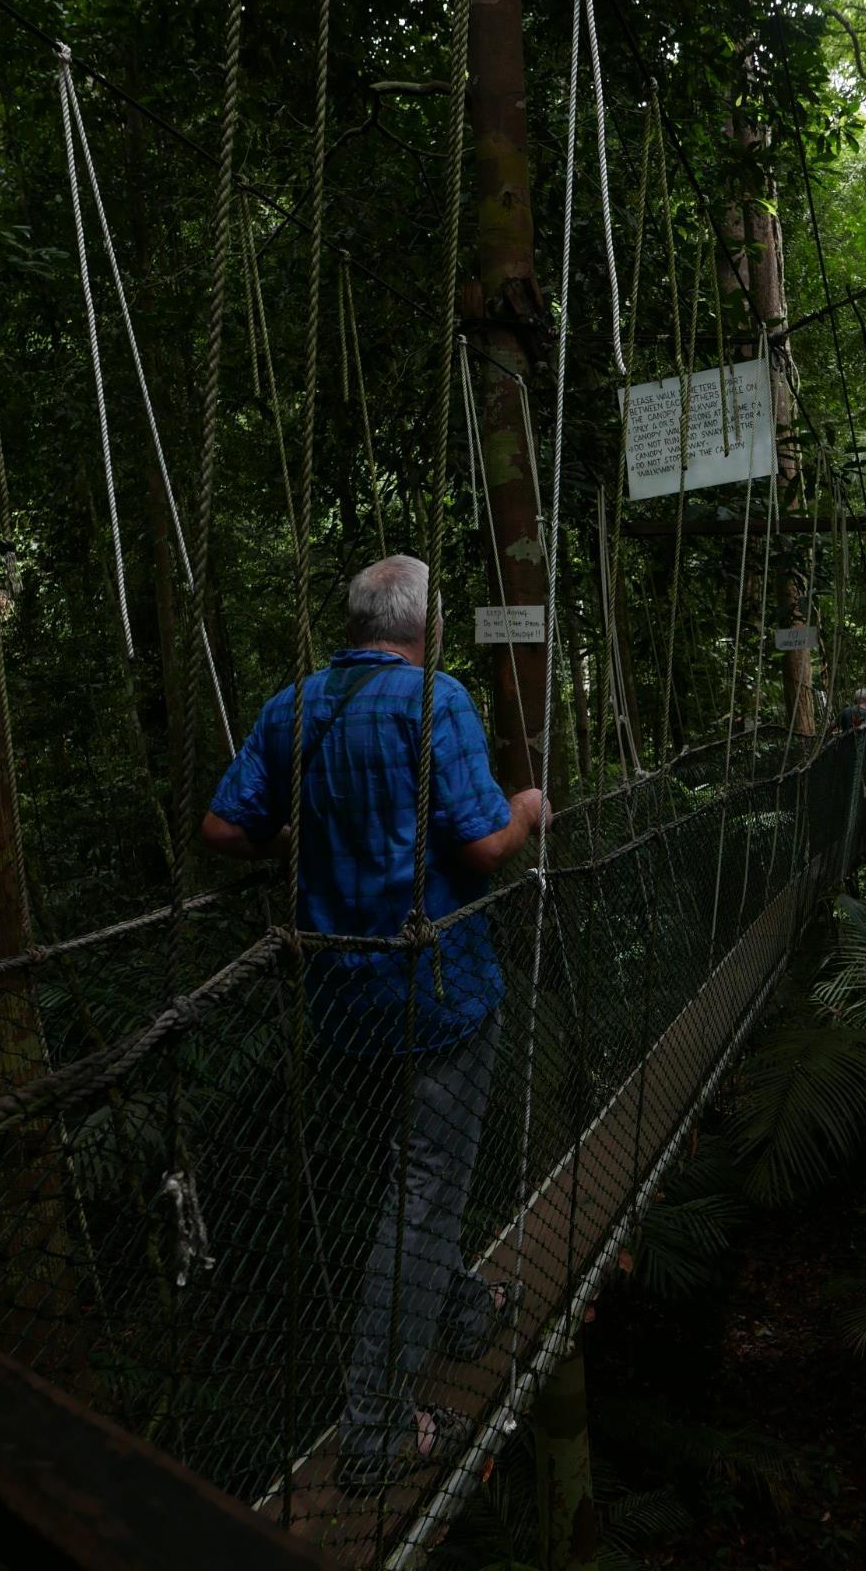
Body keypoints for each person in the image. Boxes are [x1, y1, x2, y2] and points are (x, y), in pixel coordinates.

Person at [201, 554, 549, 1492]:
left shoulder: (293, 707)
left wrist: (297, 836)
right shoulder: (438, 702)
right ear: (420, 627)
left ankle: (465, 1315)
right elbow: (481, 848)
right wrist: (527, 810)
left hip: (340, 1005)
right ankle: (377, 1433)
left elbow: (224, 829)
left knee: (409, 1182)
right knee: (422, 1197)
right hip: (437, 1002)